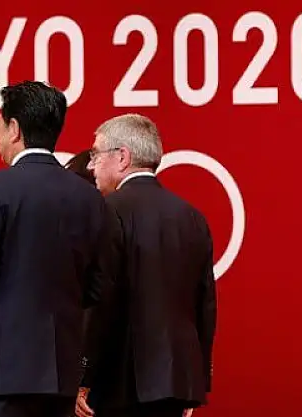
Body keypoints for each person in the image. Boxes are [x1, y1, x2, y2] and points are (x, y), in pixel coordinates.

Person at [0, 81, 112, 417]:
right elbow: (98, 285)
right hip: (61, 371)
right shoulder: (89, 197)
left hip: (3, 368)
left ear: (14, 128)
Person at [76, 114, 217, 417]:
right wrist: (194, 380)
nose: (90, 166)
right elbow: (205, 305)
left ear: (122, 157)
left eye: (96, 155)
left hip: (121, 382)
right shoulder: (192, 217)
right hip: (176, 381)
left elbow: (100, 301)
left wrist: (82, 376)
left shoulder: (107, 210)